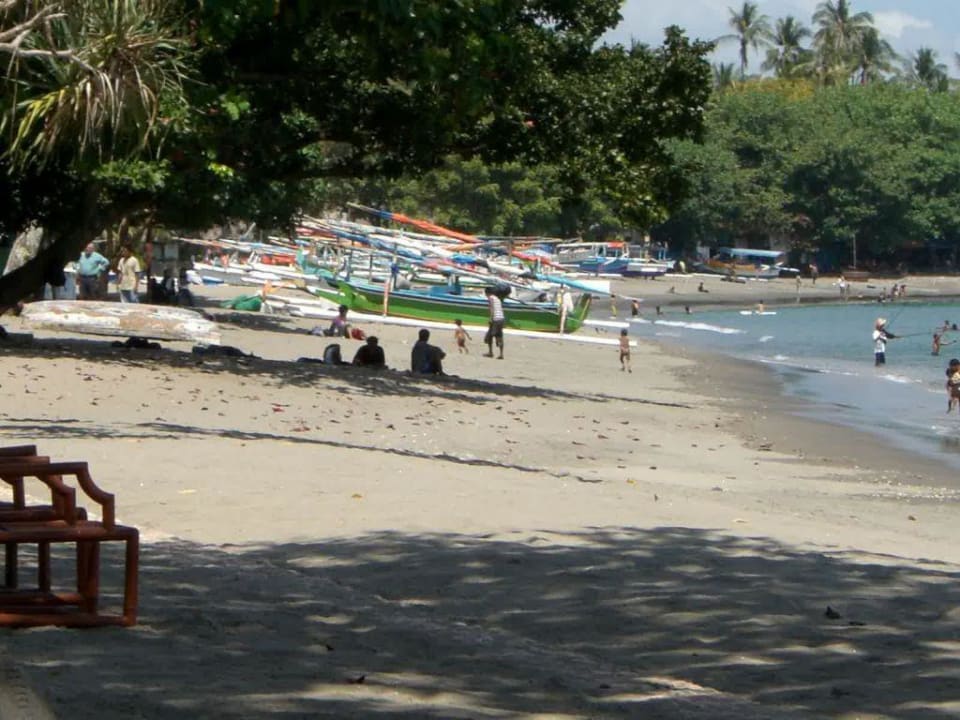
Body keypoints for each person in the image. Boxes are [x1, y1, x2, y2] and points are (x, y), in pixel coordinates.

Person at [484, 287, 505, 359]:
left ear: (487, 293)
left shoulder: (491, 298)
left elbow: (492, 308)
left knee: (489, 336)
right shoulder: (498, 298)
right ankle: (501, 354)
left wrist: (490, 318)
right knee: (499, 336)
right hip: (501, 319)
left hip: (495, 319)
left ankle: (490, 352)